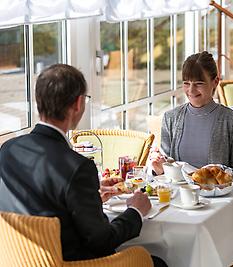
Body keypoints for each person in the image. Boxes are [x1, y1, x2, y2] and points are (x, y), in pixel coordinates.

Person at [0, 64, 167, 266]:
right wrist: (136, 212)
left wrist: (90, 198)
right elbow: (102, 241)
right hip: (69, 262)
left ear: (38, 103)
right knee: (157, 260)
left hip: (17, 259)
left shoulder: (8, 150)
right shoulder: (77, 167)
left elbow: (41, 204)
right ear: (78, 103)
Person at [151, 51, 233, 181]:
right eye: (186, 83)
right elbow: (166, 168)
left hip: (216, 198)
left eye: (199, 83)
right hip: (178, 196)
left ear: (215, 82)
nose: (191, 90)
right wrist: (158, 168)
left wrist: (221, 172)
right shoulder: (170, 118)